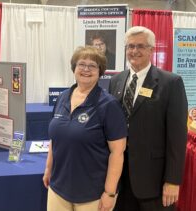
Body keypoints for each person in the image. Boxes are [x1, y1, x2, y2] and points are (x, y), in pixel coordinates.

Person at [109, 26, 188, 211]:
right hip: (120, 178)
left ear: (152, 50)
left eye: (140, 46)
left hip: (154, 182)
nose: (134, 51)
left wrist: (173, 180)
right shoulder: (116, 81)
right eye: (130, 46)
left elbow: (177, 137)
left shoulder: (171, 83)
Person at [43, 46, 127, 211]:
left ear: (100, 71)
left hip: (92, 194)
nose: (86, 69)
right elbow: (55, 140)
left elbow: (117, 153)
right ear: (74, 68)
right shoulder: (62, 98)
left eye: (92, 66)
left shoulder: (108, 105)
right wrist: (48, 169)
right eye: (81, 64)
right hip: (58, 188)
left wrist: (109, 193)